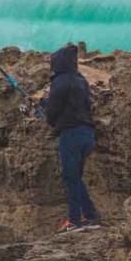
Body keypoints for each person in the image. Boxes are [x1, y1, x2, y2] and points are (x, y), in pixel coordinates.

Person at [40, 45, 100, 232]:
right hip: (88, 134)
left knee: (70, 177)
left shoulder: (60, 81)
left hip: (71, 134)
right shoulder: (81, 80)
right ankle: (91, 216)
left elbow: (53, 110)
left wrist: (47, 115)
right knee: (76, 177)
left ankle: (74, 220)